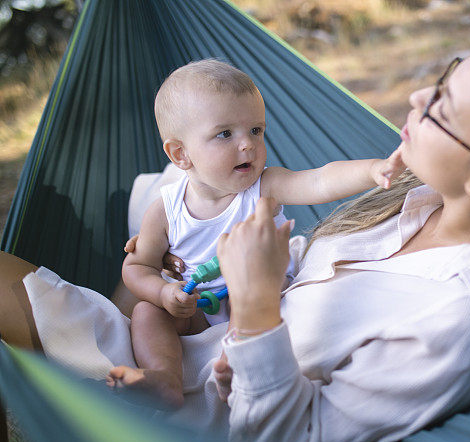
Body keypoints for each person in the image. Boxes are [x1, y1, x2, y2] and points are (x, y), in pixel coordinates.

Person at [0, 29, 470, 442]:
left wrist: (252, 312)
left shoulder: (456, 320)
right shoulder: (412, 205)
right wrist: (203, 275)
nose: (416, 98)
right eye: (440, 78)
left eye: (444, 105)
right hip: (181, 342)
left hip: (189, 429)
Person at [112, 59, 403, 409]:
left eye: (256, 130)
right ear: (180, 154)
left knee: (243, 295)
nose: (248, 144)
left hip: (259, 302)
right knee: (146, 313)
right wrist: (163, 293)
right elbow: (137, 267)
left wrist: (373, 170)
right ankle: (164, 378)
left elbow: (319, 179)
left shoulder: (263, 186)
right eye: (225, 134)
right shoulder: (165, 210)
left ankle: (241, 368)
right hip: (198, 310)